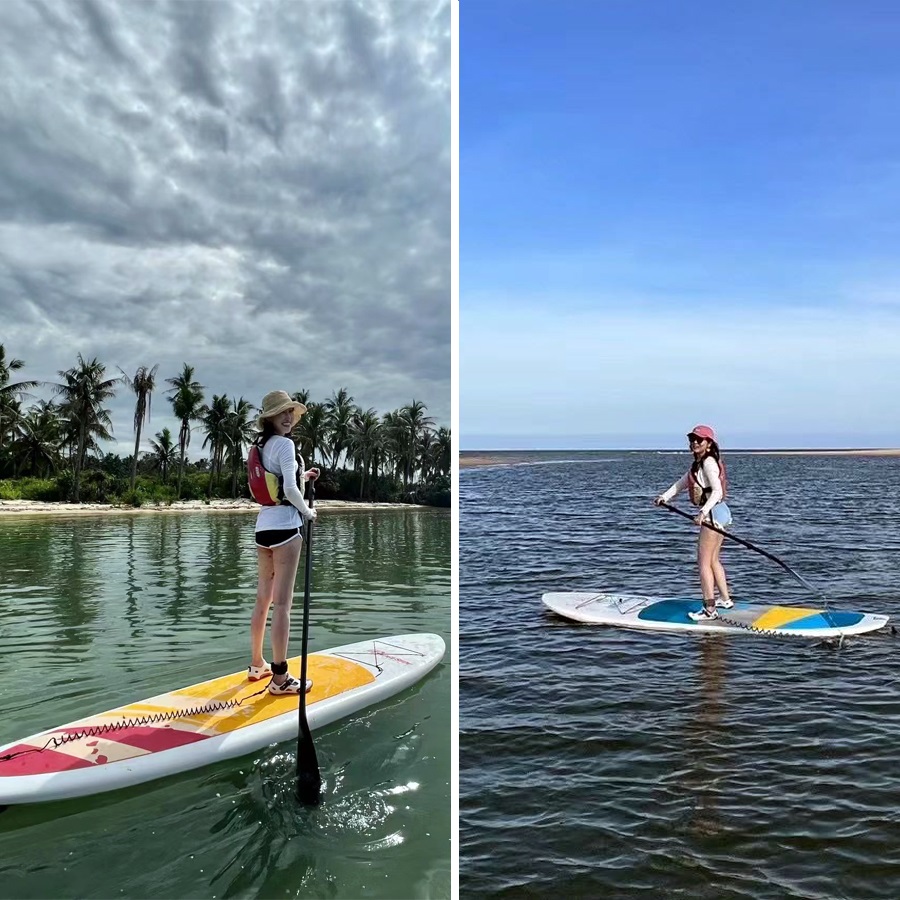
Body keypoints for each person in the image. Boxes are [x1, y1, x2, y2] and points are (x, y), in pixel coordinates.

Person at [248, 390, 320, 694]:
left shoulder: (260, 445)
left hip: (263, 528)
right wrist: (308, 511)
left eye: (291, 412)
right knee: (283, 606)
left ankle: (256, 665)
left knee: (263, 598)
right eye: (282, 413)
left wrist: (304, 476)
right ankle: (280, 678)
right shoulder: (287, 444)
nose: (289, 418)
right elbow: (289, 489)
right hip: (287, 529)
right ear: (270, 418)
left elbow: (277, 480)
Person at [654, 424, 733, 621]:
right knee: (713, 560)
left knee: (703, 563)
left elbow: (717, 492)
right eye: (692, 439)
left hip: (713, 514)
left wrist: (703, 512)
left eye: (699, 440)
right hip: (720, 513)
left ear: (709, 444)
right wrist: (664, 497)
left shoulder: (708, 463)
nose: (694, 443)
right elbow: (681, 484)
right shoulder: (698, 464)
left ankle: (709, 610)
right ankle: (725, 599)